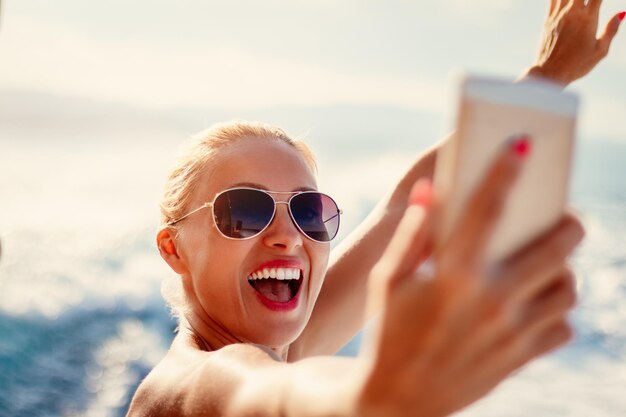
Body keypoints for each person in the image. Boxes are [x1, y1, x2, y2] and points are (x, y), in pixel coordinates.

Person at [127, 2, 623, 416]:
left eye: (309, 212)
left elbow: (405, 202)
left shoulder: (286, 350)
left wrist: (548, 76)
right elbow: (270, 397)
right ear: (174, 249)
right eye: (246, 211)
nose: (288, 235)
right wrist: (388, 390)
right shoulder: (198, 384)